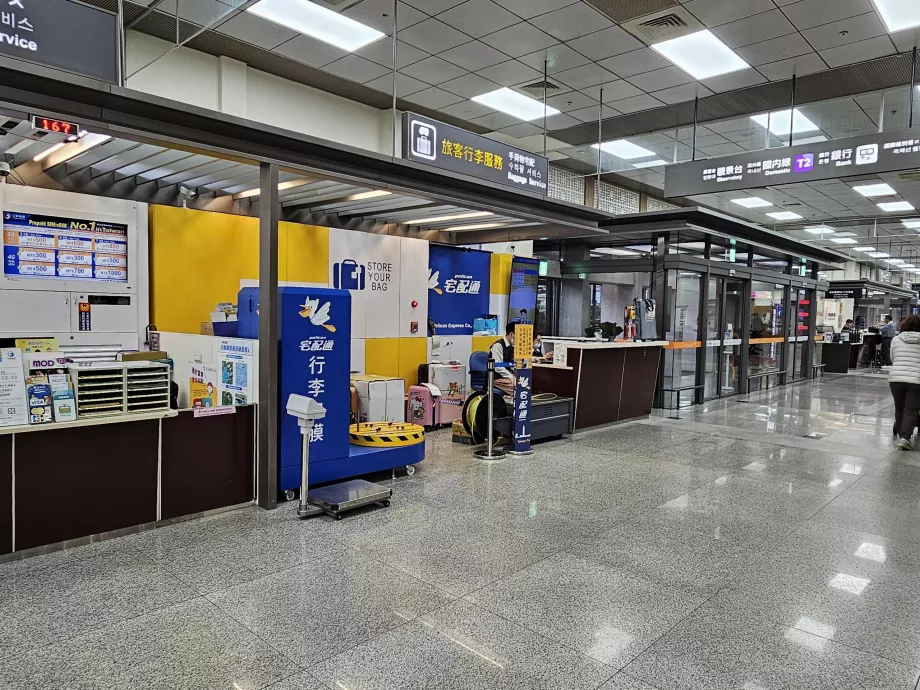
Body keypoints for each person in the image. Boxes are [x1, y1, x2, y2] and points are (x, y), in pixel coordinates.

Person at [889, 315, 920, 450]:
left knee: (899, 408)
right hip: (916, 380)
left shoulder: (896, 339)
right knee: (911, 410)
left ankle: (902, 434)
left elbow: (892, 357)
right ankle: (905, 438)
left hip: (896, 379)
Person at [489, 323, 516, 396]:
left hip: (506, 376)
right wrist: (511, 377)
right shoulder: (498, 345)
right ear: (511, 334)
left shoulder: (511, 347)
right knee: (518, 387)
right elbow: (498, 367)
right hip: (495, 378)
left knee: (525, 383)